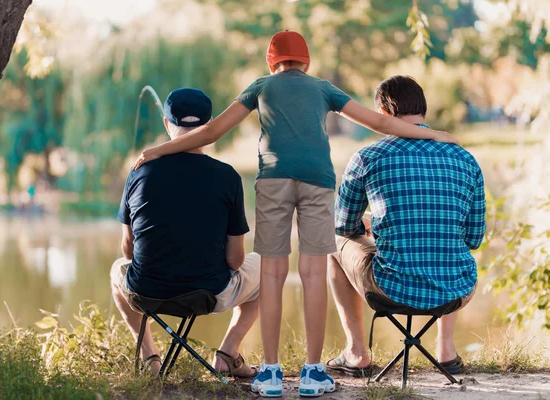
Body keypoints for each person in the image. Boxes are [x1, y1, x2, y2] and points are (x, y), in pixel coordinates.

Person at [131, 31, 458, 398]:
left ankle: (269, 373)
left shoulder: (260, 87)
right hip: (317, 182)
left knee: (272, 271)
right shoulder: (323, 88)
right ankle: (313, 372)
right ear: (307, 62)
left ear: (272, 63)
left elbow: (213, 130)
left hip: (272, 181)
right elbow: (380, 123)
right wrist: (436, 135)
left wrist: (160, 150)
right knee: (314, 271)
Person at [327, 75, 486, 377]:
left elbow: (343, 226)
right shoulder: (466, 159)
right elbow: (474, 238)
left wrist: (374, 224)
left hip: (392, 288)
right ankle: (446, 351)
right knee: (451, 241)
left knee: (331, 246)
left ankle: (357, 353)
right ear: (423, 110)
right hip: (457, 290)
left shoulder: (368, 157)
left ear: (384, 114)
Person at [111, 88, 260, 378]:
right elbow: (235, 261)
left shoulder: (138, 172)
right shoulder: (228, 177)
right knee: (269, 267)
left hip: (146, 292)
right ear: (211, 125)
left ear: (167, 124)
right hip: (208, 294)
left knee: (117, 270)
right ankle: (228, 353)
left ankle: (151, 358)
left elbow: (127, 251)